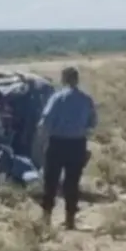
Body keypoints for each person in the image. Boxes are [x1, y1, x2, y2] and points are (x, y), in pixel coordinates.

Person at [38, 66, 96, 230]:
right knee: (72, 182)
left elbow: (46, 121)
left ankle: (46, 218)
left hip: (57, 143)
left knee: (51, 180)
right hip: (78, 144)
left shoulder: (57, 98)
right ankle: (70, 220)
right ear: (77, 79)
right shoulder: (86, 99)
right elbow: (92, 123)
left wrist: (42, 141)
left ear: (64, 79)